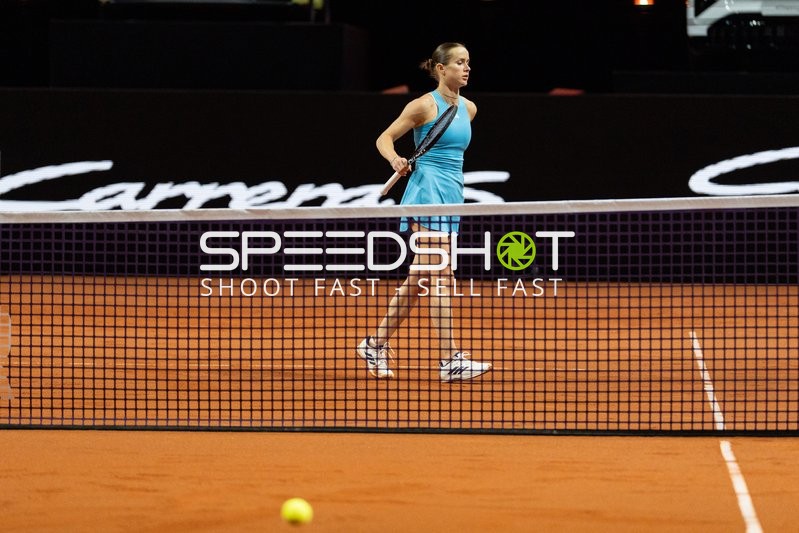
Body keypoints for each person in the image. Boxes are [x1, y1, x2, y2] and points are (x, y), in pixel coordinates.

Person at [356, 42, 492, 382]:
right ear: (441, 69)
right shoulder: (423, 106)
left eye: (468, 62)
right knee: (442, 275)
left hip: (452, 195)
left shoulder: (469, 109)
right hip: (426, 192)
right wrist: (395, 159)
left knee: (419, 280)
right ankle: (449, 360)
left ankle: (373, 344)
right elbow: (385, 138)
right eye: (459, 62)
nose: (467, 68)